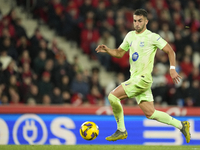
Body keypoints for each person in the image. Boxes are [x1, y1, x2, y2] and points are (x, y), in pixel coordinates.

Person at [95, 9, 191, 143]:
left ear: (146, 21)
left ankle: (121, 130)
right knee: (150, 113)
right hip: (135, 79)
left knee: (112, 96)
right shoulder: (130, 36)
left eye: (140, 21)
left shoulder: (152, 37)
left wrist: (172, 69)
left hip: (142, 79)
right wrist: (107, 50)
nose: (137, 23)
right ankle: (182, 125)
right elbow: (119, 53)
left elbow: (170, 51)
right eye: (135, 21)